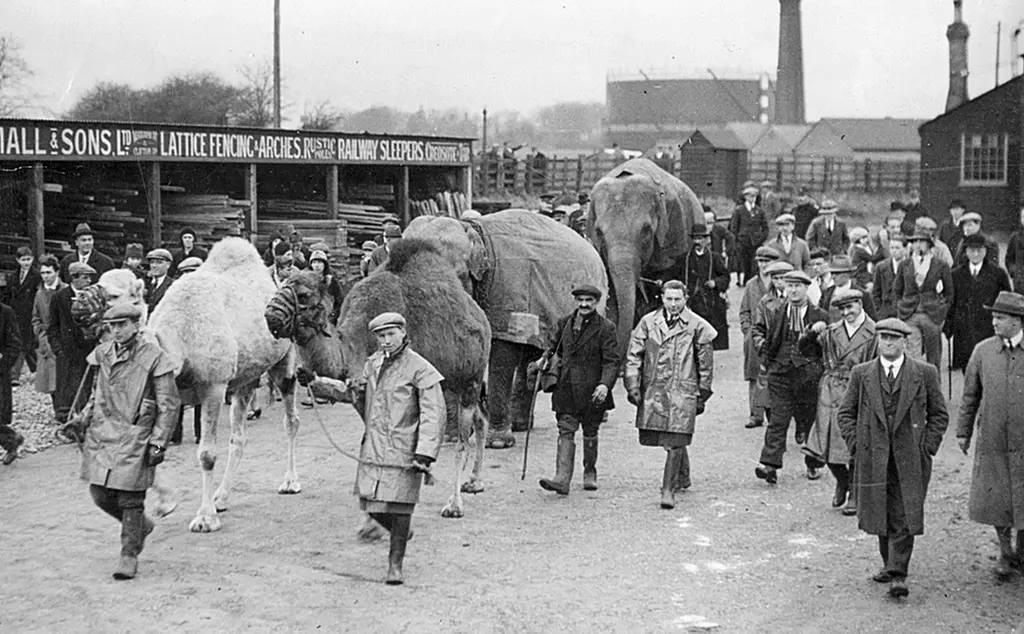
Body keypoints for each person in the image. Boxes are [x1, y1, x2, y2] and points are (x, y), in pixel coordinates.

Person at [303, 311, 444, 585]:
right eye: (381, 336)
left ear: (403, 333)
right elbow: (353, 392)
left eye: (391, 334)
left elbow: (434, 412)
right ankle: (399, 532)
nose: (386, 340)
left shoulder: (421, 369)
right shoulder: (373, 364)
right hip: (374, 447)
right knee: (373, 505)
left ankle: (395, 565)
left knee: (401, 505)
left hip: (406, 449)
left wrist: (425, 451)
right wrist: (316, 382)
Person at [837, 318, 949, 599]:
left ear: (905, 342)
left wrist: (927, 446)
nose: (887, 342)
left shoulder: (924, 373)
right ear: (877, 340)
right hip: (873, 456)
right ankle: (890, 564)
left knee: (904, 510)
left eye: (894, 338)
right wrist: (857, 445)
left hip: (911, 456)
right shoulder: (862, 374)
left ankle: (899, 572)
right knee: (879, 509)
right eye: (883, 337)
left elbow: (939, 414)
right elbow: (845, 413)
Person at [77, 303, 178, 580]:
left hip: (138, 435)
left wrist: (159, 442)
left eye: (123, 324)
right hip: (103, 434)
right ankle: (141, 528)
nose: (117, 331)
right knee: (99, 494)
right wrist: (83, 418)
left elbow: (169, 404)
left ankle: (129, 554)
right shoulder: (102, 354)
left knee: (130, 498)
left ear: (137, 325)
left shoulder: (154, 357)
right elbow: (93, 391)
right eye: (112, 326)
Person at [624, 280, 715, 510]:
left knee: (675, 438)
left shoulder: (698, 326)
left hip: (683, 389)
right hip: (655, 388)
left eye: (678, 299)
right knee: (671, 434)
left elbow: (706, 364)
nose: (673, 304)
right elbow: (634, 355)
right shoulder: (647, 323)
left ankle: (668, 489)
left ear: (686, 299)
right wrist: (632, 384)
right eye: (669, 299)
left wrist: (702, 393)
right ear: (662, 299)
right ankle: (683, 476)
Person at [956, 291, 1024, 580]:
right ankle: (1005, 552)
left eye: (1001, 317)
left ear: (1017, 321)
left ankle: (1021, 551)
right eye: (993, 317)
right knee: (997, 497)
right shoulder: (983, 351)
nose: (994, 322)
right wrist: (963, 432)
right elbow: (970, 394)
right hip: (993, 437)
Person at [538, 285, 619, 495]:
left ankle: (590, 472)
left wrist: (604, 384)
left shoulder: (606, 327)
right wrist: (544, 358)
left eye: (589, 300)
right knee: (565, 429)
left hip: (593, 390)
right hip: (566, 387)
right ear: (576, 301)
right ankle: (562, 478)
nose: (584, 304)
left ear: (596, 303)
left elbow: (612, 361)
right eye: (581, 300)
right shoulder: (564, 324)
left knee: (590, 431)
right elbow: (553, 347)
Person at [802, 289, 877, 516]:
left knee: (853, 445)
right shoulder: (832, 331)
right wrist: (810, 334)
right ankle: (843, 481)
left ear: (860, 305)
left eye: (850, 307)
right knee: (823, 445)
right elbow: (806, 351)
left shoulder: (875, 332)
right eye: (842, 309)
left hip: (859, 390)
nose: (846, 313)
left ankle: (854, 493)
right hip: (830, 390)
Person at [752, 270, 829, 484]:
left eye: (798, 286)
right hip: (780, 372)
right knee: (778, 419)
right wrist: (765, 359)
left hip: (808, 375)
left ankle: (813, 464)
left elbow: (825, 348)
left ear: (807, 288)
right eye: (790, 286)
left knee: (810, 419)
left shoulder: (820, 315)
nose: (793, 290)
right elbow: (767, 337)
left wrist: (817, 335)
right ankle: (769, 465)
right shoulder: (777, 310)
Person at [945, 234, 1012, 372]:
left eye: (980, 250)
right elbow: (951, 303)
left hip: (988, 329)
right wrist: (948, 326)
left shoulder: (997, 274)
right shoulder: (956, 274)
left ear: (986, 251)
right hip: (964, 331)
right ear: (966, 251)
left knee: (989, 369)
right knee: (968, 371)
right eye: (972, 250)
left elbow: (1007, 301)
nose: (976, 254)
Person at [893, 232, 953, 369]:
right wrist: (901, 306)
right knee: (912, 357)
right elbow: (897, 290)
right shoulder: (905, 264)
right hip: (909, 314)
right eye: (914, 241)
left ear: (929, 245)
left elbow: (949, 293)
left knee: (933, 358)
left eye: (922, 241)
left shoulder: (940, 265)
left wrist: (942, 310)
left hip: (931, 316)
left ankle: (933, 388)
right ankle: (915, 388)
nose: (918, 244)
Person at [739, 248, 783, 429]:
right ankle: (755, 415)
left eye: (767, 261)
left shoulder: (779, 286)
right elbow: (744, 310)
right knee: (754, 376)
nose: (763, 265)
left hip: (775, 339)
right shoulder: (751, 284)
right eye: (760, 261)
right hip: (754, 339)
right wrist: (747, 331)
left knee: (773, 375)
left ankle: (774, 413)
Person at [48, 262, 97, 423]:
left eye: (90, 277)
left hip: (87, 351)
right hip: (67, 351)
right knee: (66, 385)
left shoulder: (93, 296)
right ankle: (65, 418)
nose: (89, 281)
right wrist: (58, 349)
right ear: (74, 278)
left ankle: (81, 419)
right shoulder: (59, 297)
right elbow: (52, 326)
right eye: (85, 277)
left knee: (85, 385)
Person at [676, 227, 730, 350]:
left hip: (710, 302)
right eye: (695, 238)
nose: (697, 242)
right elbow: (673, 275)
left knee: (711, 336)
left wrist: (715, 283)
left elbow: (725, 276)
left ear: (706, 240)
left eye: (700, 238)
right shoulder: (684, 258)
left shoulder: (715, 258)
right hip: (692, 302)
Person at [30, 255, 65, 418]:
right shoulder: (39, 293)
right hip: (46, 341)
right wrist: (41, 337)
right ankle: (58, 410)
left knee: (64, 378)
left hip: (63, 340)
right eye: (43, 273)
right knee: (50, 379)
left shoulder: (64, 290)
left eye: (49, 272)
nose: (46, 276)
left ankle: (65, 409)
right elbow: (35, 318)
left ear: (57, 272)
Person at [6, 246, 40, 384]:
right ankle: (15, 375)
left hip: (29, 314)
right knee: (20, 343)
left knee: (28, 344)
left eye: (29, 259)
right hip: (16, 314)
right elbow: (8, 295)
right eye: (23, 260)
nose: (26, 262)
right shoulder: (14, 276)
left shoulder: (36, 275)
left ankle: (36, 370)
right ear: (18, 260)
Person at [729, 184, 768, 286]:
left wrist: (761, 238)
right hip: (743, 242)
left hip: (756, 243)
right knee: (743, 264)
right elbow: (734, 228)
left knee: (754, 265)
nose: (753, 198)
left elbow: (765, 228)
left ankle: (750, 283)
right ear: (745, 197)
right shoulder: (739, 210)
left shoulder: (759, 211)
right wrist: (738, 240)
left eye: (754, 196)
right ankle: (744, 281)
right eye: (750, 196)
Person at [819, 255, 877, 322]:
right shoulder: (827, 292)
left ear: (848, 274)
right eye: (832, 273)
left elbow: (873, 320)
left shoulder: (863, 294)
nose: (833, 277)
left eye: (837, 273)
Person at [0, 298, 23, 465]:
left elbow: (14, 345)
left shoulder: (5, 312)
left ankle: (11, 441)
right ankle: (12, 439)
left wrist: (2, 363)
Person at [871, 234, 907, 320]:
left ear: (905, 249)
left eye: (897, 248)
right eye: (892, 248)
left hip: (905, 313)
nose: (894, 251)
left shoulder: (911, 266)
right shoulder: (881, 267)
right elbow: (876, 293)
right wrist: (880, 311)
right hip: (886, 313)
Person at [308, 250, 344, 326]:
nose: (316, 265)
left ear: (325, 265)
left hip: (328, 318)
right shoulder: (306, 281)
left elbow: (340, 300)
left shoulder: (331, 281)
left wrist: (334, 315)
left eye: (319, 262)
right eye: (314, 262)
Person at [848, 226, 885, 291]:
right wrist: (881, 250)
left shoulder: (860, 248)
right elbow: (872, 258)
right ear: (858, 240)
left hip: (862, 273)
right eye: (864, 238)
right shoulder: (859, 251)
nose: (867, 240)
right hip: (860, 274)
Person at [1005, 205, 1024, 292]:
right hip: (1020, 285)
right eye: (1023, 217)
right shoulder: (1015, 237)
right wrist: (1014, 272)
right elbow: (1009, 259)